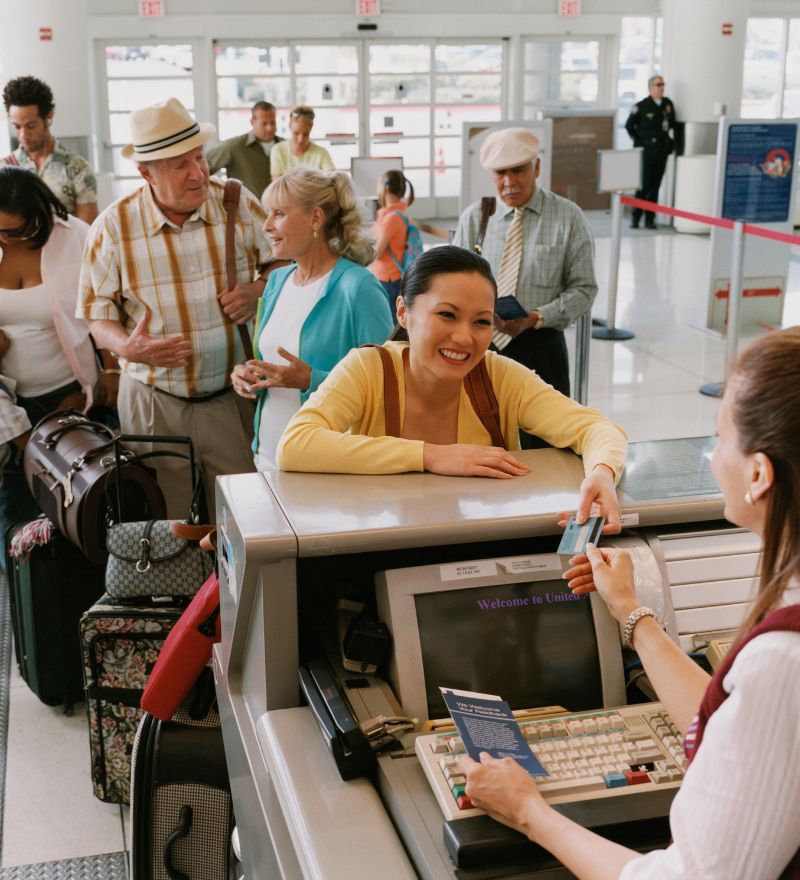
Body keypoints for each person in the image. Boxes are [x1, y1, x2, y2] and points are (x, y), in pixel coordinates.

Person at [461, 326, 800, 880]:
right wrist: (630, 610)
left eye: (719, 438)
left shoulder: (783, 659)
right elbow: (728, 734)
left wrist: (529, 812)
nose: (713, 458)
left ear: (759, 474)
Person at [277, 246, 626, 531]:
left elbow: (596, 428)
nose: (464, 338)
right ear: (403, 311)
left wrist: (602, 474)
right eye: (446, 315)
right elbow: (295, 445)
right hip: (379, 553)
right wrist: (432, 455)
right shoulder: (369, 368)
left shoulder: (498, 375)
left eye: (481, 322)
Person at [78, 98, 272, 519]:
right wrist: (128, 349)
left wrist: (256, 289)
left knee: (249, 518)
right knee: (167, 523)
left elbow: (286, 264)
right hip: (154, 405)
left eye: (199, 158)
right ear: (145, 173)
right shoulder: (113, 228)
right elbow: (97, 313)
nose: (198, 172)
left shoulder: (238, 204)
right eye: (179, 164)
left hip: (232, 398)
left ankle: (236, 589)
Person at [231, 167, 393, 471]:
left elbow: (388, 384)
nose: (266, 226)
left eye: (278, 214)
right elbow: (273, 365)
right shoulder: (277, 281)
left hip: (328, 465)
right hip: (267, 454)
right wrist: (247, 375)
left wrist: (310, 379)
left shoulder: (358, 287)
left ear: (316, 218)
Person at [452, 127, 597, 435]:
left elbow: (584, 289)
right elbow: (453, 284)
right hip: (482, 347)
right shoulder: (476, 218)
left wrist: (537, 317)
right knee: (480, 435)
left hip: (542, 347)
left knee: (546, 441)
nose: (509, 182)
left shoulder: (567, 217)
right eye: (500, 173)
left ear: (537, 168)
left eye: (518, 170)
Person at [0, 166, 112, 549]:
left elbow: (106, 304)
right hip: (9, 407)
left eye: (14, 232)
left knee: (81, 517)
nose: (4, 240)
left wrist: (105, 375)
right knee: (16, 526)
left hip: (73, 395)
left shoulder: (73, 237)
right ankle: (26, 605)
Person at [2, 76, 98, 224]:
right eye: (17, 126)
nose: (23, 135)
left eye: (31, 126)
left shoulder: (78, 169)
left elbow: (88, 235)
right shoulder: (4, 170)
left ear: (48, 118)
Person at [625, 75, 676, 230]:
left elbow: (672, 125)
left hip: (661, 150)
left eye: (663, 84)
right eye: (658, 85)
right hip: (646, 150)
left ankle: (650, 219)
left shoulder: (667, 104)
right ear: (650, 88)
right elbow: (629, 126)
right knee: (644, 185)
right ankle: (636, 217)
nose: (661, 87)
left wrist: (671, 145)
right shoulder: (642, 106)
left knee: (655, 185)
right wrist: (639, 141)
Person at [207, 100, 283, 199]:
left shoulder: (285, 146)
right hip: (245, 212)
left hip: (281, 211)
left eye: (272, 123)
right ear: (252, 122)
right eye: (264, 124)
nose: (270, 128)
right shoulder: (235, 147)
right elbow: (203, 165)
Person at [368, 169, 415, 318]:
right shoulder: (394, 214)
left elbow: (377, 252)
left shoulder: (392, 219)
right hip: (389, 277)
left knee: (388, 323)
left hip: (388, 280)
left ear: (385, 188)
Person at [269, 106, 334, 178]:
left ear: (311, 129)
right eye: (296, 133)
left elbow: (333, 179)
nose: (300, 139)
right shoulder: (278, 150)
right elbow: (277, 184)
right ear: (289, 126)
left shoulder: (321, 153)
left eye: (306, 134)